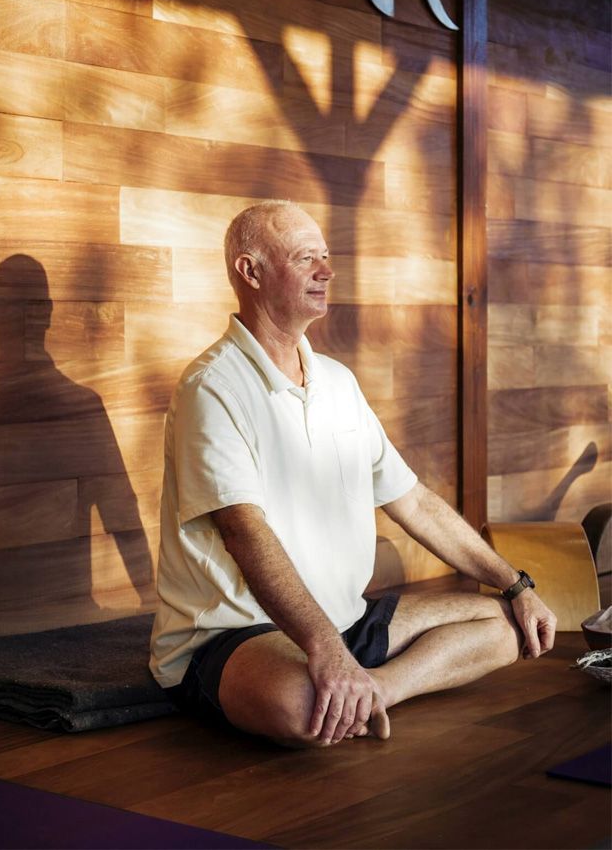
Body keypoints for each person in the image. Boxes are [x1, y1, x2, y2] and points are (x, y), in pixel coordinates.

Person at [149, 201, 556, 748]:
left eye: (325, 256)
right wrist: (324, 649)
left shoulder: (338, 382)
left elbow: (413, 502)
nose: (326, 270)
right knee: (302, 706)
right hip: (238, 632)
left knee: (506, 624)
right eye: (304, 258)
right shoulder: (212, 387)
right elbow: (245, 532)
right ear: (251, 272)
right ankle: (344, 688)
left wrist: (516, 583)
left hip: (346, 621)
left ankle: (374, 692)